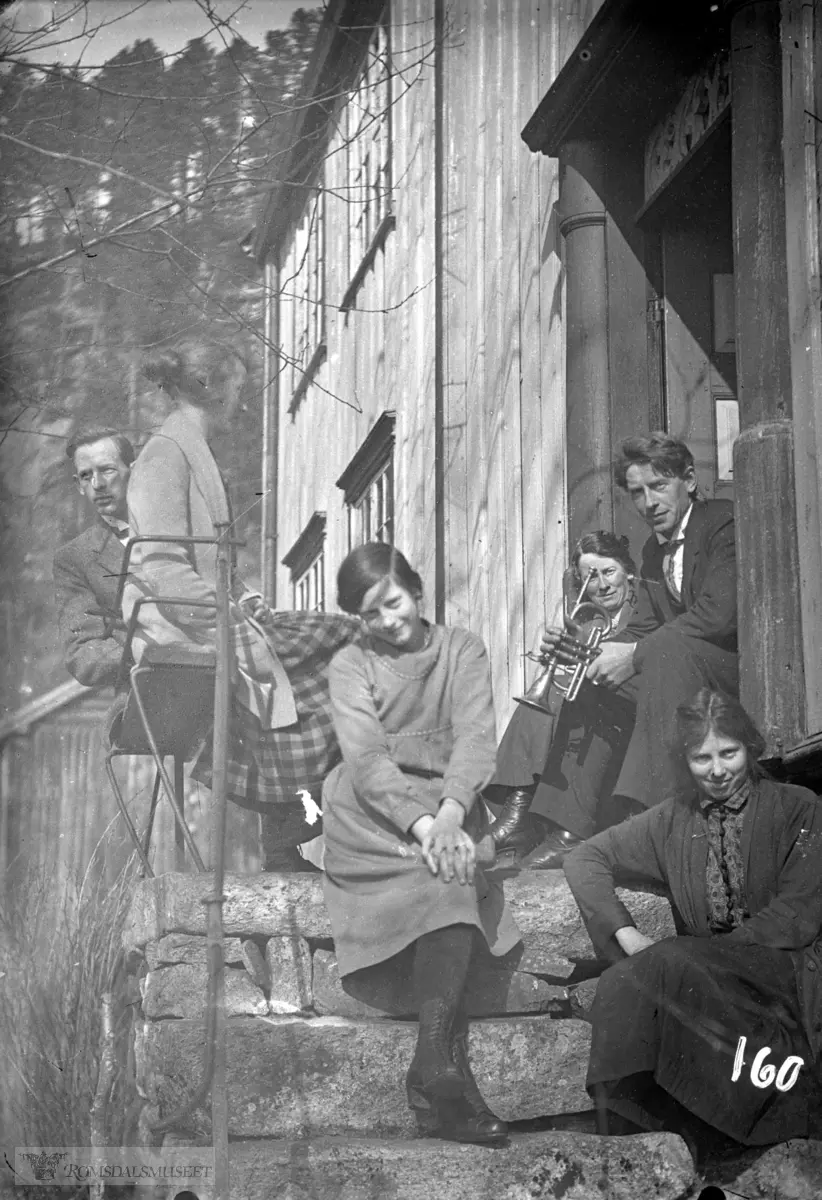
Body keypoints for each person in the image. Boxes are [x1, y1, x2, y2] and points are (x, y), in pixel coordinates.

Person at [121, 346, 358, 871]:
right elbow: (162, 568)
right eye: (239, 391)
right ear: (215, 387)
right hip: (181, 626)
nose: (242, 404)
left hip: (205, 616)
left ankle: (291, 826)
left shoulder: (190, 449)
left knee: (340, 642)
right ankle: (291, 824)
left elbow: (206, 565)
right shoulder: (165, 455)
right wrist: (229, 615)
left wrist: (244, 600)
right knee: (348, 642)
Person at [563, 689, 822, 1160]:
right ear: (685, 761)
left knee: (669, 965)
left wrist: (700, 955)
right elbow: (585, 856)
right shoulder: (671, 819)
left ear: (751, 748)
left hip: (780, 971)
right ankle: (631, 1114)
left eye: (729, 752)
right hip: (702, 978)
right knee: (625, 975)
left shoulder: (799, 807)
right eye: (702, 757)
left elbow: (798, 912)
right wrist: (625, 932)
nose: (718, 770)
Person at [322, 543, 521, 1146]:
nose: (387, 621)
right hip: (375, 815)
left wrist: (453, 813)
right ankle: (443, 1075)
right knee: (446, 872)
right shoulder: (349, 665)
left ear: (416, 590)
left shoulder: (462, 648)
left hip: (449, 805)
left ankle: (433, 1066)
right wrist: (422, 826)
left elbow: (475, 740)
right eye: (371, 614)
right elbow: (367, 760)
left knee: (453, 874)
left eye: (393, 602)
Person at [498, 432, 739, 869]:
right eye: (637, 493)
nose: (648, 502)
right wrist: (581, 654)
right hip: (677, 666)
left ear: (688, 480)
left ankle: (644, 817)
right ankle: (567, 825)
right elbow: (646, 627)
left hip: (729, 674)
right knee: (587, 681)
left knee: (663, 655)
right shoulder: (652, 550)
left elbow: (718, 615)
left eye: (658, 486)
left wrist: (632, 656)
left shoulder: (721, 521)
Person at [489, 530, 653, 861]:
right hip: (594, 710)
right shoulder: (589, 620)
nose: (603, 585)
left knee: (558, 696)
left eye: (609, 572)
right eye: (590, 577)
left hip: (632, 714)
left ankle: (539, 823)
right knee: (545, 691)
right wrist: (559, 653)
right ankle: (518, 812)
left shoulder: (644, 612)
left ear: (627, 573)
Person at [54, 429, 136, 688]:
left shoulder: (177, 529)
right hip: (141, 695)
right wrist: (146, 656)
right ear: (78, 484)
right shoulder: (74, 558)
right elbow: (84, 652)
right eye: (86, 476)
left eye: (107, 470)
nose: (97, 484)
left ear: (132, 471)